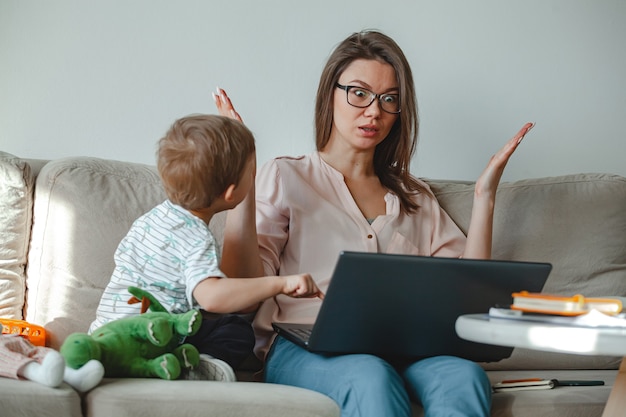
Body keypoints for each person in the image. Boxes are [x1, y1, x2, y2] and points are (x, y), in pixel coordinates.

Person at [214, 30, 534, 416]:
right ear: (330, 95)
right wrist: (242, 180)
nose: (374, 112)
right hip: (306, 347)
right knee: (369, 375)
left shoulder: (415, 197)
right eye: (359, 93)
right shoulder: (285, 177)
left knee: (464, 376)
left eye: (389, 100)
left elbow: (468, 296)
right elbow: (239, 281)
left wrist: (485, 197)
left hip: (406, 347)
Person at [89, 115, 323, 381]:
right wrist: (280, 284)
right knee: (236, 331)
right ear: (231, 192)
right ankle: (195, 369)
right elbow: (212, 299)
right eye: (251, 172)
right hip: (148, 342)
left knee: (209, 321)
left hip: (106, 336)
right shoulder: (195, 236)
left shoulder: (152, 219)